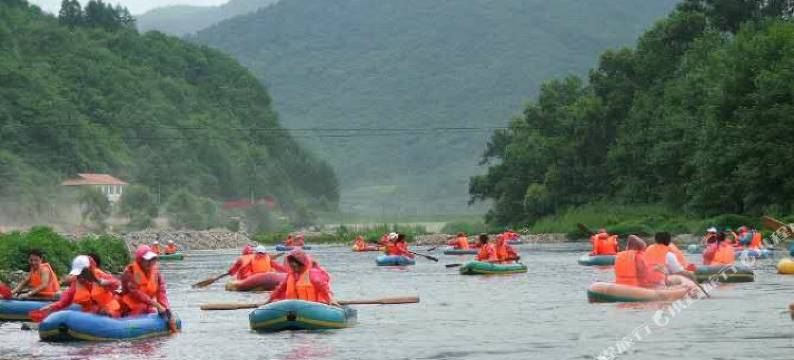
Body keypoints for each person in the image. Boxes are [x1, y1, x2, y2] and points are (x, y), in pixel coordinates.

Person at [40, 255, 121, 318]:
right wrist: (51, 307)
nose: (80, 275)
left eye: (83, 272)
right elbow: (64, 302)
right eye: (79, 273)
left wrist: (103, 282)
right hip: (90, 316)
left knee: (104, 313)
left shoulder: (100, 276)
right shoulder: (76, 283)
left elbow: (116, 284)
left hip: (109, 313)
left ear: (89, 270)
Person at [268, 250, 336, 305]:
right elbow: (279, 289)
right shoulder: (291, 276)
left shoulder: (313, 274)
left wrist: (331, 300)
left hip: (313, 307)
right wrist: (268, 301)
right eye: (291, 263)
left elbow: (324, 288)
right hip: (293, 307)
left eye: (296, 263)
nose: (293, 265)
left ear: (302, 263)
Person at [120, 245, 170, 317]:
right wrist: (156, 305)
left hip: (147, 305)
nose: (150, 262)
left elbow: (161, 292)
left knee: (152, 310)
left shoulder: (156, 273)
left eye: (152, 259)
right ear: (140, 260)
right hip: (129, 306)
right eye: (147, 260)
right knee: (141, 307)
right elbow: (136, 293)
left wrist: (165, 307)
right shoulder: (131, 272)